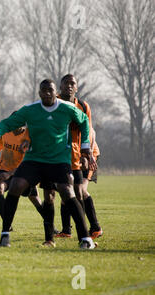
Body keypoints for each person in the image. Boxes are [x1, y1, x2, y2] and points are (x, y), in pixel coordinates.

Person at [0, 79, 97, 249]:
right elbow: (9, 122)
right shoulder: (30, 110)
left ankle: (85, 238)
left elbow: (84, 121)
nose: (47, 93)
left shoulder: (66, 108)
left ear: (56, 92)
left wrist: (85, 147)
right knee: (17, 185)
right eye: (43, 90)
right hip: (34, 159)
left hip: (58, 161)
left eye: (50, 90)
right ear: (39, 93)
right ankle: (5, 235)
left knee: (67, 192)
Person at [43, 74, 103, 239]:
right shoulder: (52, 103)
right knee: (66, 192)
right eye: (66, 83)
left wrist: (88, 154)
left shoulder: (83, 106)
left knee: (80, 191)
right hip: (63, 156)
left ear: (76, 88)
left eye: (72, 84)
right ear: (60, 87)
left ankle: (93, 228)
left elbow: (90, 132)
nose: (69, 86)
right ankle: (67, 230)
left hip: (85, 154)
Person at [0, 119, 58, 233]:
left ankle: (51, 227)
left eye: (17, 125)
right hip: (4, 169)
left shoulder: (28, 137)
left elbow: (28, 162)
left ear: (23, 126)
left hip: (23, 172)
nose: (14, 127)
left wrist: (9, 174)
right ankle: (7, 223)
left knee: (35, 199)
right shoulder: (6, 133)